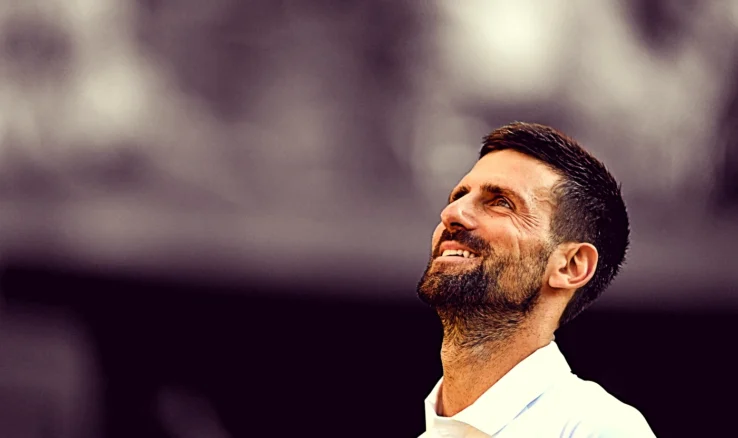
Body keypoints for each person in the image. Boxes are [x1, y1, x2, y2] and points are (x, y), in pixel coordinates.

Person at [416, 122, 656, 437]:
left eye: (501, 202)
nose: (451, 213)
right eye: (457, 196)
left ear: (571, 266)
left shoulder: (598, 428)